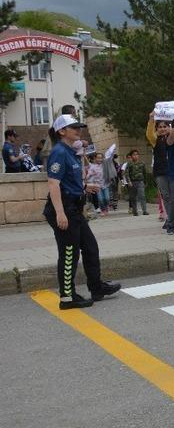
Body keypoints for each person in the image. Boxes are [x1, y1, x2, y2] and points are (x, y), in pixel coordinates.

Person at [44, 114, 120, 309]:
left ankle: (96, 288)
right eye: (74, 127)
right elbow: (53, 183)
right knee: (69, 253)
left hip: (74, 208)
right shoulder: (59, 152)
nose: (78, 130)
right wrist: (60, 213)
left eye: (79, 127)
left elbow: (68, 180)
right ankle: (67, 298)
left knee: (90, 247)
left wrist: (85, 188)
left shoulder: (70, 151)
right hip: (64, 209)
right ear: (62, 131)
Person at [147, 112, 172, 223]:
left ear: (169, 127)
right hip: (160, 172)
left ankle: (173, 216)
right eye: (160, 127)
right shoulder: (155, 140)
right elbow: (149, 134)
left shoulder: (173, 138)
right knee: (165, 195)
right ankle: (170, 218)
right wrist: (151, 120)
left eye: (164, 126)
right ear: (157, 129)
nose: (162, 129)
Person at [126, 149, 148, 216]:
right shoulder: (129, 164)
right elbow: (126, 174)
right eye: (134, 155)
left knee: (142, 196)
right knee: (133, 197)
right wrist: (129, 181)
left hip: (140, 181)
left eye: (137, 154)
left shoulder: (142, 163)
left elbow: (145, 173)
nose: (135, 156)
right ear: (131, 156)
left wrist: (145, 182)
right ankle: (135, 211)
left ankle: (144, 211)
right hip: (132, 182)